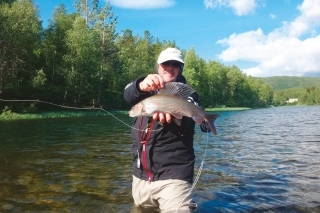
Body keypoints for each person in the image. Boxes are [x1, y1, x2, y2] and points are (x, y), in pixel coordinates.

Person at [124, 47, 210, 213]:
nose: (170, 67)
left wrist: (197, 115)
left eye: (175, 64)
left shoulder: (187, 94)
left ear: (180, 69)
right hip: (140, 179)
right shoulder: (146, 89)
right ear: (158, 66)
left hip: (174, 180)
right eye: (166, 63)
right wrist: (141, 85)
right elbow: (128, 94)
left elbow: (195, 107)